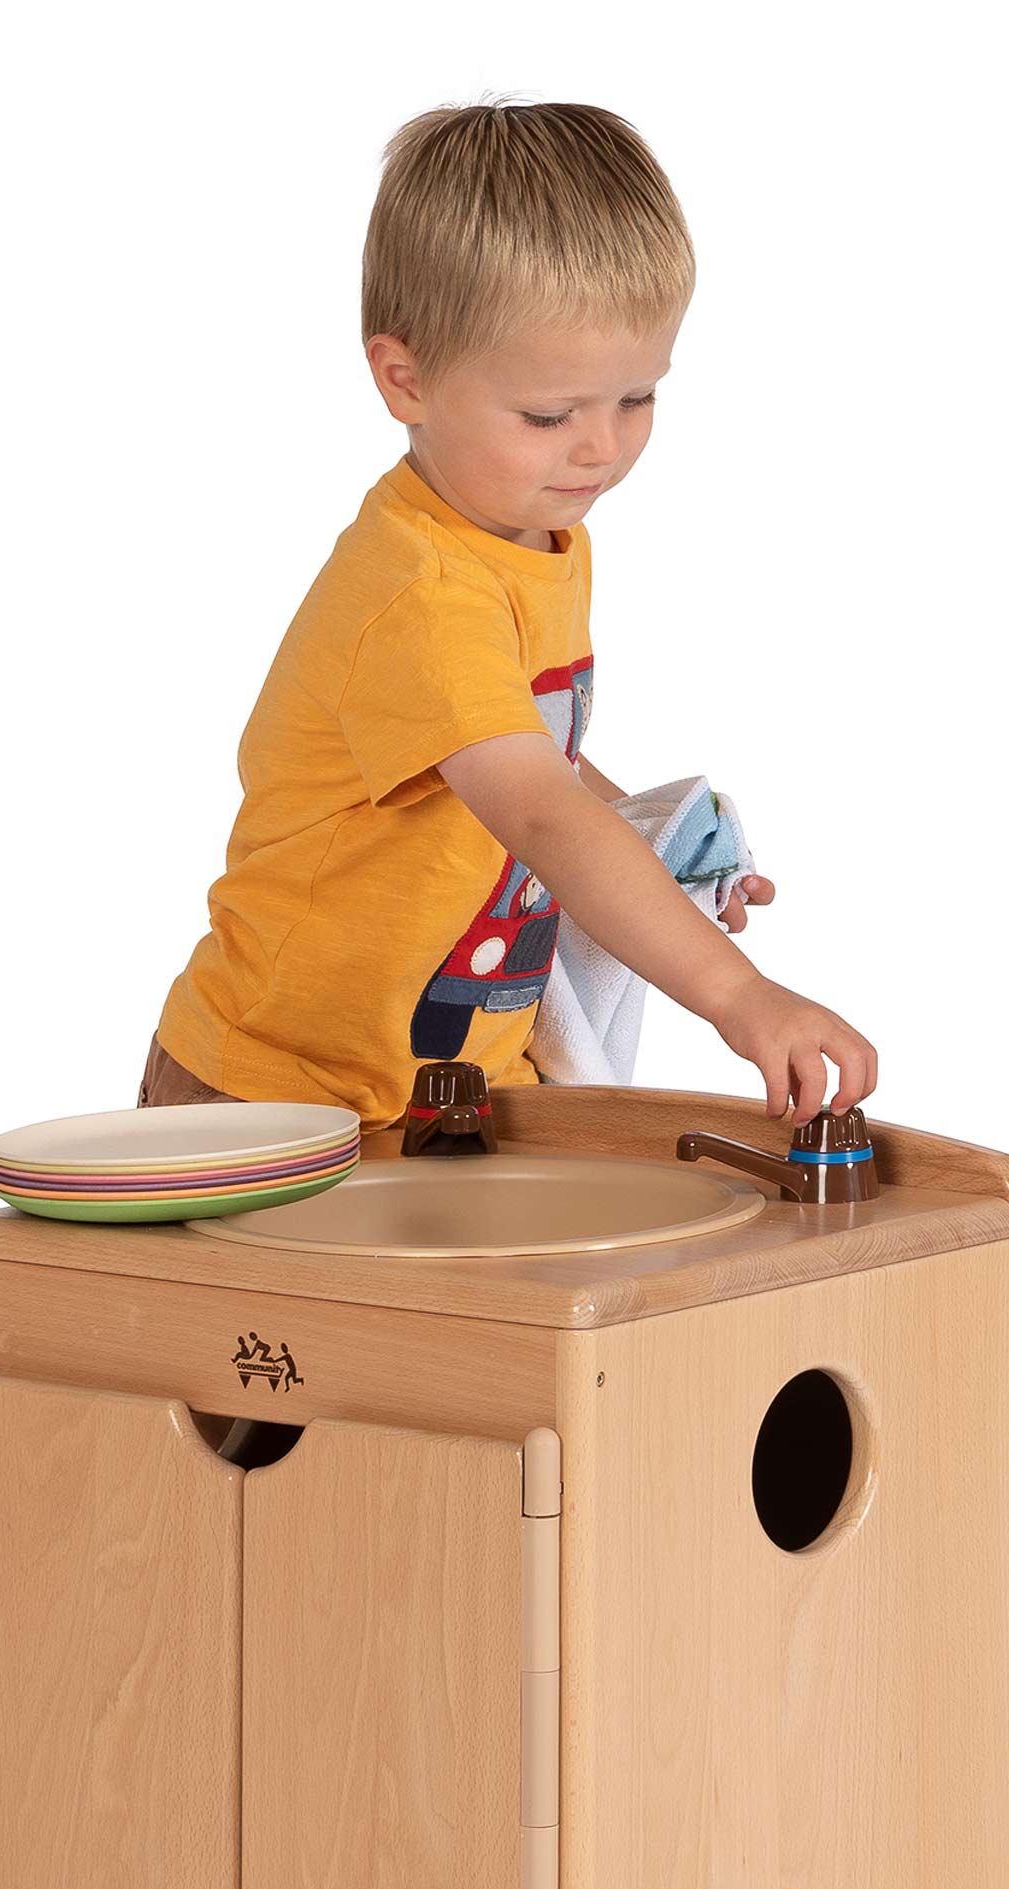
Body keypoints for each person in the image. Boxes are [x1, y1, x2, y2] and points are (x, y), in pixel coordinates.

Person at [142, 99, 877, 1131]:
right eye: (548, 415)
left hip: (454, 1083)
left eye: (638, 397)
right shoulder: (420, 594)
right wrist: (736, 995)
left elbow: (531, 758)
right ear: (405, 380)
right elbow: (535, 810)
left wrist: (662, 858)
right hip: (280, 1094)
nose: (601, 448)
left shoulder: (531, 536)